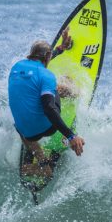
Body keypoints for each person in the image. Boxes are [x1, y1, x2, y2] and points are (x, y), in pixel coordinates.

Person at [8, 28, 85, 178]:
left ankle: (41, 164)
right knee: (57, 85)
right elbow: (49, 108)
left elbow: (38, 66)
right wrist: (71, 136)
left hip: (24, 130)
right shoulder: (46, 75)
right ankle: (74, 93)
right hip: (47, 128)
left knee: (29, 95)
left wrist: (60, 49)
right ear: (48, 56)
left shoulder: (16, 67)